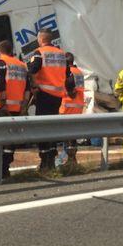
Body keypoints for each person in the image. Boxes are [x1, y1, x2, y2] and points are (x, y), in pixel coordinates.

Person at [0, 40, 30, 179]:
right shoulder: (22, 66)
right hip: (16, 108)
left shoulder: (0, 63)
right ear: (11, 51)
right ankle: (5, 168)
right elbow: (27, 88)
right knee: (10, 140)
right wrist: (24, 106)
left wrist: (3, 104)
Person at [28, 29, 75, 172]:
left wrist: (31, 82)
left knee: (42, 128)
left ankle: (44, 162)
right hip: (57, 97)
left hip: (44, 94)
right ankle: (52, 160)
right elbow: (67, 75)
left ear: (40, 39)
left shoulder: (39, 52)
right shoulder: (61, 54)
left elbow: (32, 69)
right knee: (52, 127)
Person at [58, 52, 85, 166]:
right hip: (78, 107)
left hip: (66, 107)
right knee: (72, 135)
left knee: (67, 136)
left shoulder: (67, 73)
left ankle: (71, 160)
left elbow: (70, 91)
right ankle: (72, 159)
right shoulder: (79, 73)